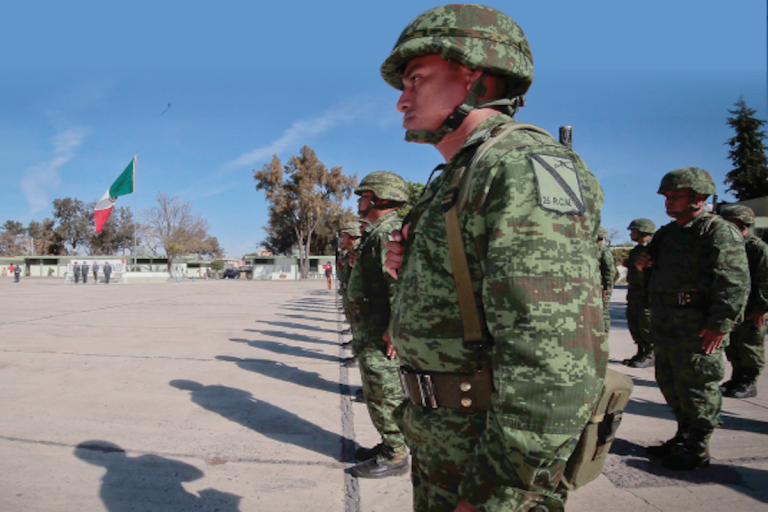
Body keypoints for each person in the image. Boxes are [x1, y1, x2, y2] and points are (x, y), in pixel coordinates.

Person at [381, 5, 607, 510]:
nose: (401, 100)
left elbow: (556, 357)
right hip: (447, 442)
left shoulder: (522, 165)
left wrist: (498, 493)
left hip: (490, 461)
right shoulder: (463, 173)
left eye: (416, 78)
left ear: (474, 73)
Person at [637, 167, 749, 470]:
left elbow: (734, 282)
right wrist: (643, 261)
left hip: (698, 324)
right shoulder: (668, 233)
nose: (668, 202)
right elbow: (649, 265)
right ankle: (683, 435)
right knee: (671, 381)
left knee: (698, 383)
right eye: (667, 196)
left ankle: (698, 445)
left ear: (699, 197)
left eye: (676, 196)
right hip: (666, 321)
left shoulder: (718, 231)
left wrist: (719, 325)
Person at [346, 171, 410, 479]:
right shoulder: (377, 231)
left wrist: (394, 331)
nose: (359, 201)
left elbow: (396, 284)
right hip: (371, 330)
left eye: (363, 195)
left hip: (380, 332)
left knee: (385, 393)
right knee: (376, 393)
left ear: (379, 198)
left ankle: (395, 453)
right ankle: (388, 442)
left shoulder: (388, 232)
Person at [718, 205, 768, 398]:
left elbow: (765, 281)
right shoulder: (730, 246)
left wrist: (761, 309)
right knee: (734, 345)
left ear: (741, 223)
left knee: (750, 346)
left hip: (753, 307)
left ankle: (749, 382)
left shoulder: (757, 248)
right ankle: (737, 379)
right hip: (735, 307)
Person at [623, 218, 656, 368]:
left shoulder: (653, 248)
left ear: (642, 230)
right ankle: (641, 352)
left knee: (646, 325)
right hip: (635, 294)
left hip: (647, 295)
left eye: (633, 230)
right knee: (635, 324)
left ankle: (650, 354)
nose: (631, 233)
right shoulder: (637, 250)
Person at [337, 221, 362, 338]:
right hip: (350, 291)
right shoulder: (349, 252)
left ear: (352, 235)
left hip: (359, 296)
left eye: (344, 235)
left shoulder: (358, 251)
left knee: (358, 324)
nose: (342, 238)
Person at [597, 227, 616, 333]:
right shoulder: (592, 249)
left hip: (602, 288)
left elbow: (610, 271)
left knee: (603, 312)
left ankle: (604, 334)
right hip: (595, 287)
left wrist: (607, 288)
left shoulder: (604, 251)